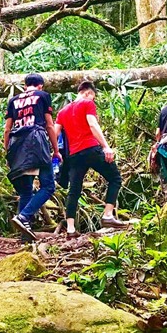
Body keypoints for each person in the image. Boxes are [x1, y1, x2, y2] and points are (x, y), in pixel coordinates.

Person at [55, 81, 126, 236]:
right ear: (87, 93)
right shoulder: (87, 104)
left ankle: (71, 229)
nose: (92, 100)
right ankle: (108, 215)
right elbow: (93, 125)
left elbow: (55, 133)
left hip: (74, 155)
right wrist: (106, 146)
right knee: (115, 178)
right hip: (91, 149)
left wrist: (54, 152)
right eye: (93, 97)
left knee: (74, 190)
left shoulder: (62, 112)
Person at [4, 73, 60, 241]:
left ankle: (24, 237)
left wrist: (8, 151)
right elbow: (49, 124)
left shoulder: (13, 100)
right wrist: (56, 150)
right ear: (40, 85)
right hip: (37, 141)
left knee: (26, 190)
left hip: (17, 144)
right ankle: (24, 216)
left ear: (25, 84)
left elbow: (7, 129)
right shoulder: (42, 96)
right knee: (48, 186)